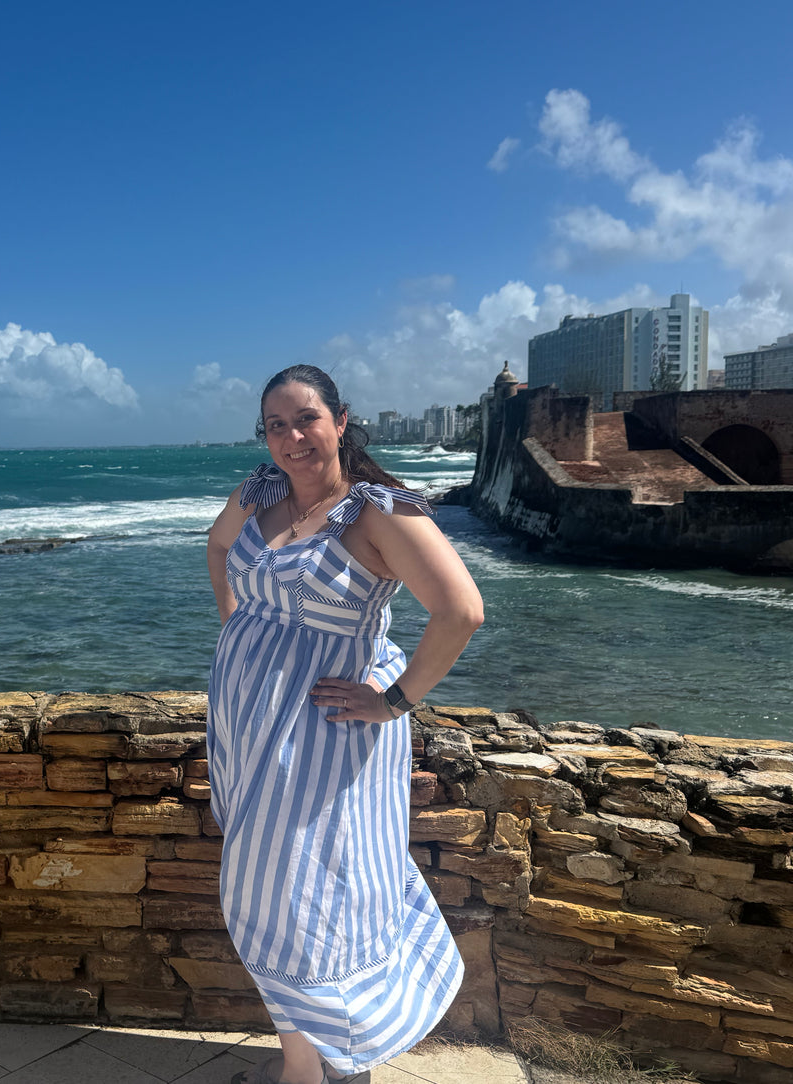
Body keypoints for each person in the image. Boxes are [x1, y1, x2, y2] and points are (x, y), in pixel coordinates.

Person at [206, 365, 484, 1084]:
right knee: (270, 892)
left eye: (304, 419)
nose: (291, 437)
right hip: (246, 727)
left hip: (326, 733)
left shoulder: (377, 513)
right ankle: (303, 1067)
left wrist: (394, 699)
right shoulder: (258, 493)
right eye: (275, 425)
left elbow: (460, 612)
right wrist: (242, 629)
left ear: (339, 420)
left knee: (306, 896)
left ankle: (342, 1056)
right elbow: (216, 550)